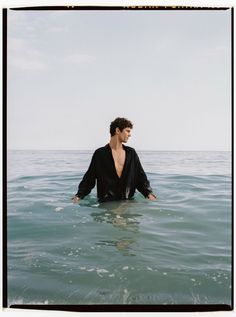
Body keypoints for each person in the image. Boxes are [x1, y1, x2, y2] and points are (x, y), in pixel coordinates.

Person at [72, 117, 157, 203]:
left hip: (127, 204)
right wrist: (79, 196)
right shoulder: (100, 154)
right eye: (127, 131)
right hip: (106, 205)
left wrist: (148, 194)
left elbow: (140, 177)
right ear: (117, 130)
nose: (130, 134)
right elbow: (89, 179)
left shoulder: (131, 153)